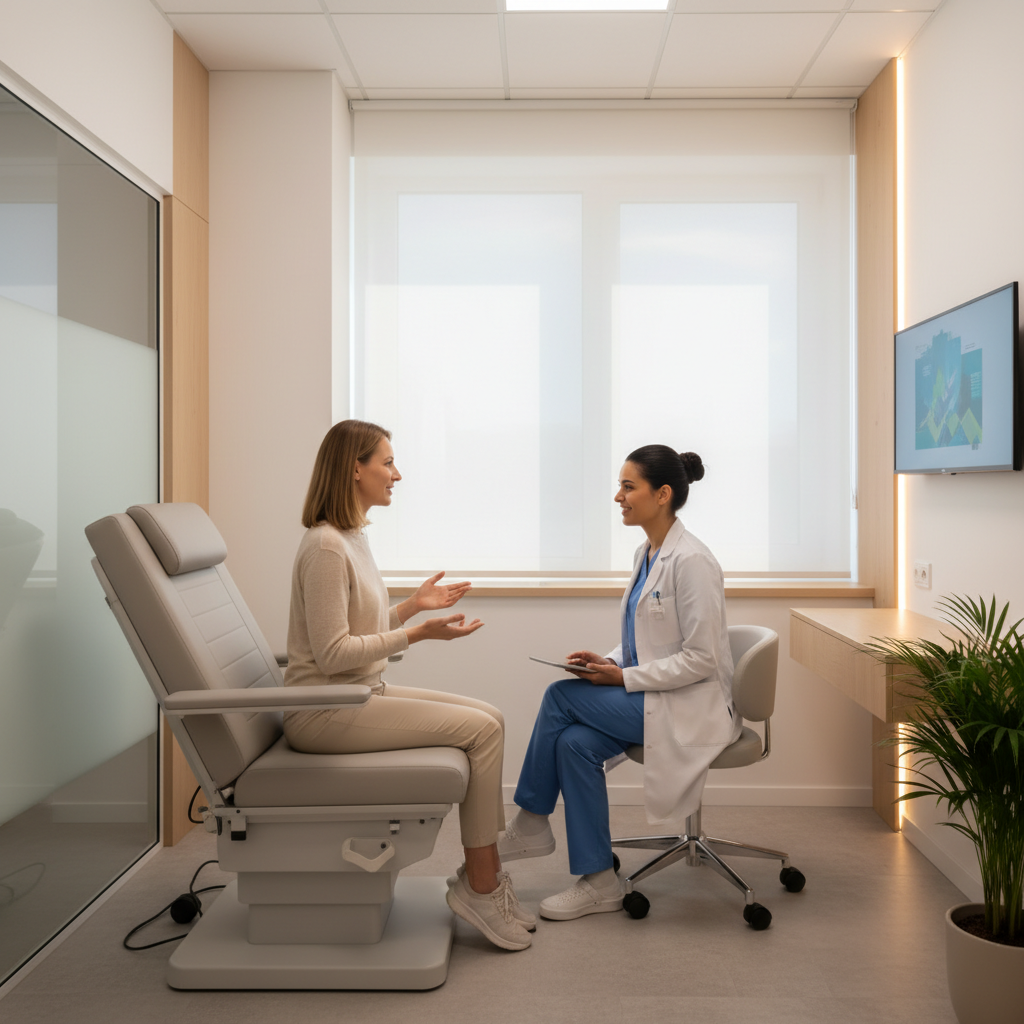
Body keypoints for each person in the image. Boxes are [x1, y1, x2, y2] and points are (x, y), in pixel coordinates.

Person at [283, 419, 534, 951]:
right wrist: (416, 633)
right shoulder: (327, 547)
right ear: (355, 468)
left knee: (491, 718)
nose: (397, 473)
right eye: (387, 462)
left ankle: (480, 878)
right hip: (323, 711)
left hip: (357, 694)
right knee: (482, 734)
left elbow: (358, 632)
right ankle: (483, 887)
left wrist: (413, 608)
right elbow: (331, 655)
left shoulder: (353, 538)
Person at [498, 445, 741, 921]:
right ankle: (599, 881)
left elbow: (702, 659)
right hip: (656, 695)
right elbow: (645, 640)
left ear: (663, 494)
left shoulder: (693, 562)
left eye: (629, 487)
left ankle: (530, 821)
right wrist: (605, 662)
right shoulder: (647, 552)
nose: (618, 497)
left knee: (559, 696)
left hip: (692, 704)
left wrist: (622, 677)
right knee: (573, 743)